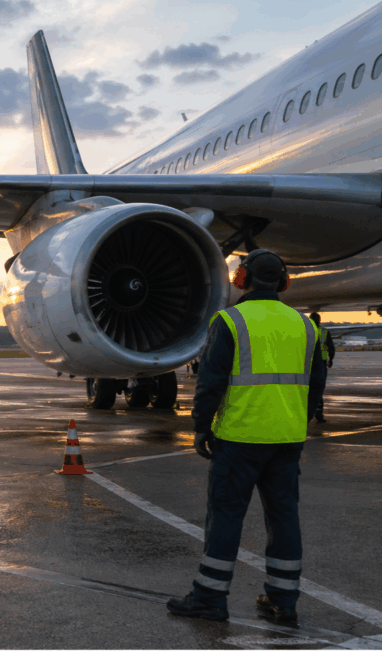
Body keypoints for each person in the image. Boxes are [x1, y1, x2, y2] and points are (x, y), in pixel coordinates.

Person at [167, 248, 325, 624]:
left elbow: (210, 382)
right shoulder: (306, 325)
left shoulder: (231, 321)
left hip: (239, 439)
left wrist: (201, 426)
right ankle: (283, 601)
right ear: (284, 283)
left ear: (242, 279)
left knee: (225, 517)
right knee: (284, 517)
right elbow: (316, 386)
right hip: (286, 440)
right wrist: (294, 423)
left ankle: (209, 597)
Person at [308, 312, 335, 423]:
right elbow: (331, 347)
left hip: (306, 363)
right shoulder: (324, 332)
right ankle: (318, 414)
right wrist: (331, 359)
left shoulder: (305, 330)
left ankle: (307, 413)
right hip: (321, 364)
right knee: (319, 388)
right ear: (320, 320)